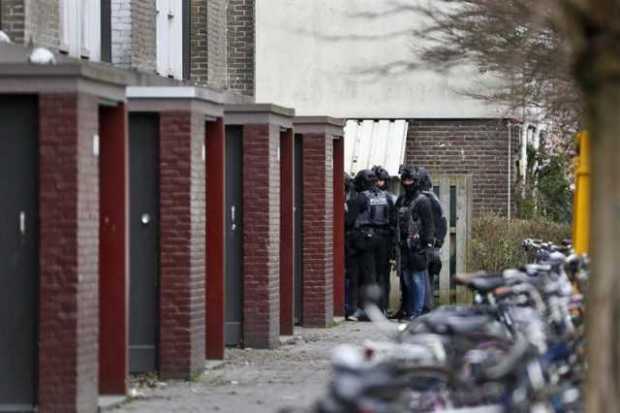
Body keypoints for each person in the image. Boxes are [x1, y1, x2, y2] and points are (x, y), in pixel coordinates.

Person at [395, 166, 435, 320]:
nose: (407, 183)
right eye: (405, 180)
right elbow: (395, 222)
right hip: (403, 247)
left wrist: (428, 246)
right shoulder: (401, 199)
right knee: (407, 281)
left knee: (417, 280)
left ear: (416, 181)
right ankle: (411, 311)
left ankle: (417, 313)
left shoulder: (423, 201)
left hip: (418, 247)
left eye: (410, 180)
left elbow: (429, 224)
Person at [416, 167, 447, 312]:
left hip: (428, 245)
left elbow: (441, 221)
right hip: (430, 244)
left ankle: (426, 308)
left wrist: (436, 241)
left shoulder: (428, 199)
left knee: (425, 277)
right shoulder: (433, 198)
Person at [347, 169, 376, 320]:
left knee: (355, 277)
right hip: (374, 240)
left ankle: (355, 310)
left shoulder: (357, 199)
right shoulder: (381, 196)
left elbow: (348, 221)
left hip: (358, 241)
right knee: (370, 277)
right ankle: (373, 311)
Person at [370, 165, 397, 313]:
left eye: (380, 180)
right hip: (374, 240)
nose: (378, 183)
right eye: (376, 180)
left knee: (382, 275)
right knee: (373, 275)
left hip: (385, 240)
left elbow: (395, 222)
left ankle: (383, 306)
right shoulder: (366, 196)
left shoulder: (390, 198)